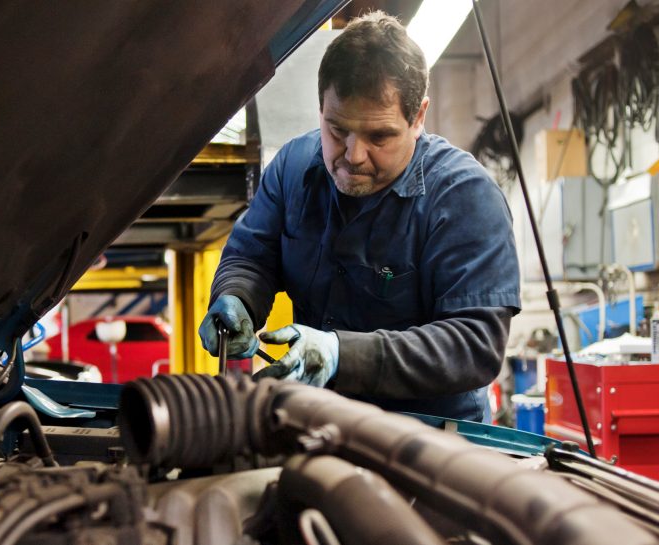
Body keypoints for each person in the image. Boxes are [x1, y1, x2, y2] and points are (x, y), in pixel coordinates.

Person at [198, 11, 520, 422]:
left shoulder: (464, 198)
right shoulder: (292, 170)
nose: (353, 156)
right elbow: (252, 256)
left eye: (379, 136)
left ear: (418, 117)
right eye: (337, 130)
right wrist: (237, 295)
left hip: (432, 448)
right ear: (320, 109)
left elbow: (475, 345)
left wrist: (341, 354)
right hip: (317, 425)